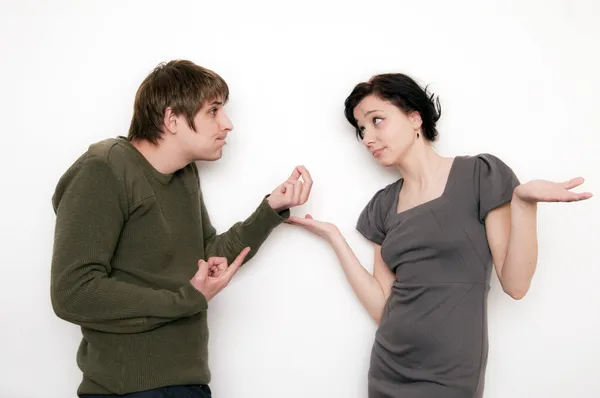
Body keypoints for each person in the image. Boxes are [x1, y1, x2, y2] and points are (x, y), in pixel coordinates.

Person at [285, 73, 592, 398]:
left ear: (415, 117)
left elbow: (516, 285)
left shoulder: (479, 175)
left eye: (377, 120)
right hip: (388, 370)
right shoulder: (383, 206)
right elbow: (382, 308)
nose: (367, 137)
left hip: (451, 376)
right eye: (361, 129)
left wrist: (524, 203)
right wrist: (335, 238)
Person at [50, 60, 313, 398]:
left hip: (188, 382)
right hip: (127, 389)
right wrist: (183, 300)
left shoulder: (184, 174)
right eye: (214, 111)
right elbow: (73, 292)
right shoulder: (105, 168)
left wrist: (269, 210)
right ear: (172, 119)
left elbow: (205, 259)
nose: (227, 124)